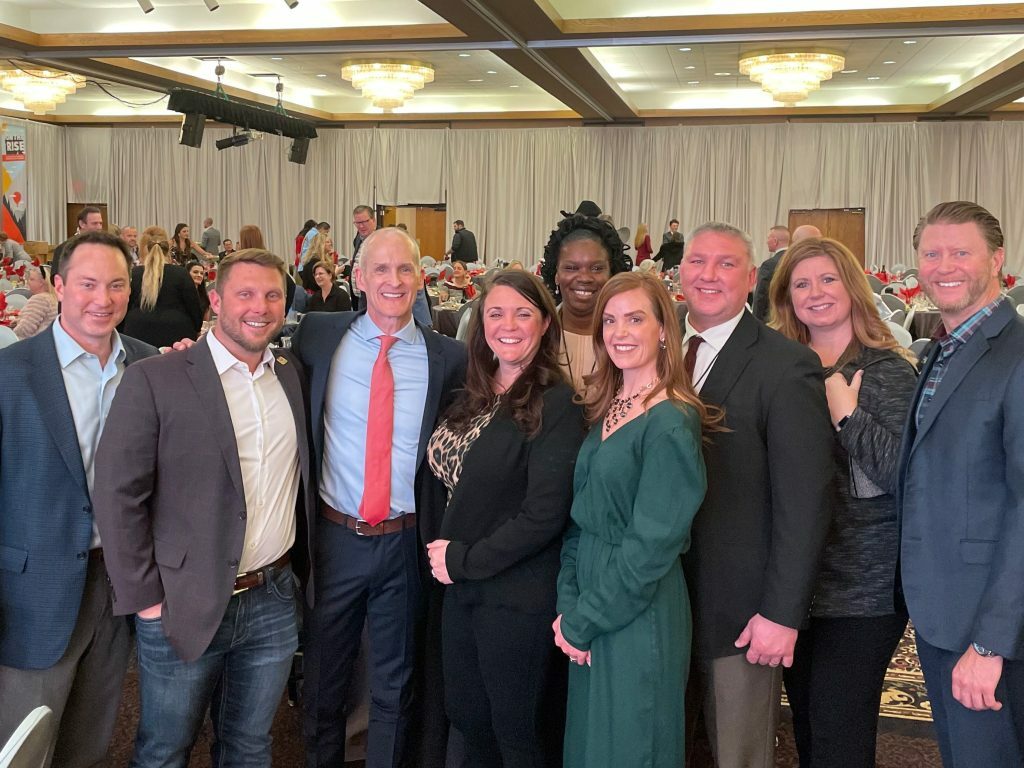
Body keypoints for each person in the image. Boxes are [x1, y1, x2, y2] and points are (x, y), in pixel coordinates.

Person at [93, 248, 315, 768]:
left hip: (273, 598)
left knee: (249, 745)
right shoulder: (157, 377)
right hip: (181, 602)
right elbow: (117, 493)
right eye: (244, 294)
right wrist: (146, 600)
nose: (258, 307)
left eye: (271, 295)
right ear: (214, 299)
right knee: (165, 749)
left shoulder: (291, 374)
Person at [292, 226, 466, 768]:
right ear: (359, 277)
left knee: (395, 684)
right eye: (381, 270)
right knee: (322, 679)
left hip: (406, 542)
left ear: (420, 278)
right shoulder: (317, 337)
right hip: (334, 538)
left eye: (405, 269)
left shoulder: (450, 359)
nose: (393, 281)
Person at [679, 222, 833, 768]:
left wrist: (781, 612)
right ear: (680, 272)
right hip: (657, 602)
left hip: (741, 614)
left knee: (738, 755)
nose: (708, 275)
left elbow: (806, 501)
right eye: (698, 261)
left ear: (750, 278)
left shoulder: (785, 365)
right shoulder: (652, 348)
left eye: (725, 264)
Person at [0, 231, 157, 764]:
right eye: (88, 284)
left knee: (90, 740)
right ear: (60, 286)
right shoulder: (10, 373)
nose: (103, 298)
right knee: (24, 746)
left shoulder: (149, 365)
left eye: (116, 285)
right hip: (30, 593)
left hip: (117, 586)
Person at [423, 270, 584, 767]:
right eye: (496, 312)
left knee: (518, 732)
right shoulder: (467, 395)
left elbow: (543, 516)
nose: (507, 324)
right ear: (480, 322)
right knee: (469, 718)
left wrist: (463, 559)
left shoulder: (557, 403)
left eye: (523, 313)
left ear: (544, 324)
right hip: (460, 590)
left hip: (516, 596)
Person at [769, 237, 918, 767]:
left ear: (852, 288)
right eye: (802, 284)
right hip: (795, 583)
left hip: (864, 587)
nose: (816, 293)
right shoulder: (781, 369)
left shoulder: (889, 371)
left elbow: (902, 474)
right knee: (807, 723)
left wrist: (848, 416)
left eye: (828, 279)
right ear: (787, 297)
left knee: (840, 733)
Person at [556, 271, 711, 768]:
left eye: (635, 319)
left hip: (638, 610)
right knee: (590, 745)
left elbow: (649, 550)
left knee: (629, 747)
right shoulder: (609, 406)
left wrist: (583, 620)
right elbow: (580, 520)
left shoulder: (670, 422)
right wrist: (568, 604)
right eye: (610, 320)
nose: (620, 332)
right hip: (591, 602)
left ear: (664, 328)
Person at [898, 201, 1024, 767]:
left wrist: (992, 642)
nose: (943, 265)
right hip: (943, 611)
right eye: (931, 252)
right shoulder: (941, 348)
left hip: (991, 628)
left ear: (997, 260)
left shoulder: (1016, 354)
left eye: (960, 252)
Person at [540, 213, 630, 392]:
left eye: (596, 268)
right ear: (556, 274)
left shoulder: (631, 338)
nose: (584, 278)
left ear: (612, 273)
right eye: (571, 268)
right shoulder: (535, 335)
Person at [123, 226, 203, 348]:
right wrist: (196, 328)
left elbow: (125, 306)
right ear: (169, 250)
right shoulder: (180, 273)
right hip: (177, 336)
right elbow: (194, 308)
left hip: (137, 334)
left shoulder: (135, 273)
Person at [51, 205, 106, 281]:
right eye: (95, 223)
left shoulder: (105, 247)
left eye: (100, 223)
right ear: (82, 224)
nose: (99, 227)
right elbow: (56, 279)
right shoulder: (64, 248)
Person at [751, 224, 790, 322]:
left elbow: (761, 296)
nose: (766, 241)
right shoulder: (797, 260)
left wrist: (755, 321)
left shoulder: (769, 265)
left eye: (768, 238)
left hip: (773, 319)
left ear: (775, 241)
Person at [12, 263, 58, 340]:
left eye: (32, 279)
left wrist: (11, 334)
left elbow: (25, 329)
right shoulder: (52, 297)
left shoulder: (39, 299)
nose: (28, 282)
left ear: (42, 282)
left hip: (32, 344)